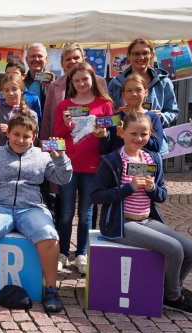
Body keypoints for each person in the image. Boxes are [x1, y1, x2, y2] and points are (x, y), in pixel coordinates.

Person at [91, 112, 192, 316]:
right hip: (121, 224)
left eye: (144, 134)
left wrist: (152, 188)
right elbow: (96, 196)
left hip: (147, 220)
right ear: (121, 132)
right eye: (133, 133)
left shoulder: (153, 158)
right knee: (174, 249)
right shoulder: (112, 160)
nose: (138, 138)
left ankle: (168, 290)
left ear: (151, 134)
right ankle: (173, 297)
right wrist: (128, 188)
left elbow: (162, 196)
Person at [0, 114, 72, 313]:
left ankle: (51, 289)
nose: (20, 140)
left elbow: (64, 178)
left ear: (33, 137)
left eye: (26, 136)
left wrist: (61, 157)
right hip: (0, 206)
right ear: (7, 133)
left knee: (49, 237)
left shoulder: (43, 155)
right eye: (16, 134)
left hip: (32, 207)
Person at [53, 62, 114, 274]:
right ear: (72, 82)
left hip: (93, 166)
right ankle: (62, 251)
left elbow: (110, 137)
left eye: (85, 79)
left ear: (93, 79)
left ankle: (82, 253)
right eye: (77, 80)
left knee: (86, 213)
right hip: (69, 165)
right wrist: (66, 125)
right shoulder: (64, 105)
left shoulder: (105, 104)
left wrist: (104, 135)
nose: (81, 83)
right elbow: (57, 137)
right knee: (66, 212)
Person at [41, 43, 108, 141]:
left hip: (92, 142)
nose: (72, 61)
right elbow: (47, 119)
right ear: (62, 64)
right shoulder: (54, 85)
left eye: (76, 58)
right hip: (61, 143)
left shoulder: (100, 82)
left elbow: (107, 114)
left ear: (83, 60)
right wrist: (45, 145)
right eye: (68, 59)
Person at [108, 38, 180, 127]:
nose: (141, 57)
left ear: (152, 55)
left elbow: (173, 112)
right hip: (123, 137)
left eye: (145, 53)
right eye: (136, 54)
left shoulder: (164, 82)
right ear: (129, 56)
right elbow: (109, 113)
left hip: (155, 135)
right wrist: (120, 114)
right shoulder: (116, 83)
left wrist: (161, 117)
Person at [100, 74, 165, 154]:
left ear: (146, 92)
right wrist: (103, 137)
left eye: (138, 90)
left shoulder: (153, 118)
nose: (134, 94)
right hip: (118, 164)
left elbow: (156, 147)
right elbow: (106, 149)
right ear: (123, 95)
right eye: (129, 91)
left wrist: (139, 135)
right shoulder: (115, 118)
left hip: (142, 164)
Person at [0, 72, 37, 147]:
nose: (10, 93)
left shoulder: (32, 114)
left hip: (21, 156)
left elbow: (33, 141)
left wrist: (11, 131)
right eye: (6, 90)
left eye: (14, 89)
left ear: (21, 90)